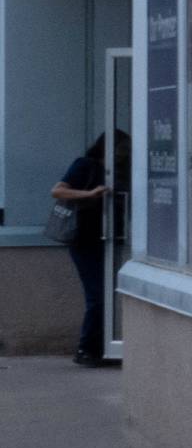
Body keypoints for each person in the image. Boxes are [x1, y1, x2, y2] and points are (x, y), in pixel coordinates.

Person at [52, 128, 118, 367]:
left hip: (108, 239)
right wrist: (89, 193)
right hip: (85, 239)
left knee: (105, 294)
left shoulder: (116, 171)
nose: (124, 155)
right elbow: (57, 190)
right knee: (98, 294)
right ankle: (86, 348)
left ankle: (101, 348)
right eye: (122, 150)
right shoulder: (86, 165)